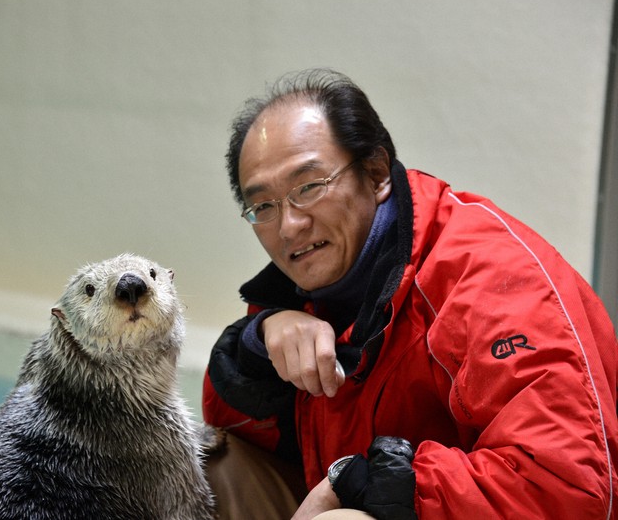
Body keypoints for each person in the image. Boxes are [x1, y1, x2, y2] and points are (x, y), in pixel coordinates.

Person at [201, 68, 618, 520]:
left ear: (376, 173)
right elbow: (237, 430)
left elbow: (571, 490)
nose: (289, 226)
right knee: (212, 468)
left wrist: (370, 485)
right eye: (264, 206)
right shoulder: (302, 291)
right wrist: (259, 346)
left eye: (308, 187)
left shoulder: (490, 278)